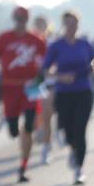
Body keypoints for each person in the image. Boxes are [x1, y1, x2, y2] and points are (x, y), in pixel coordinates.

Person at [0, 6, 47, 183]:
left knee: (28, 126)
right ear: (14, 20)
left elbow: (47, 60)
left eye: (23, 19)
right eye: (18, 19)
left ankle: (23, 166)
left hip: (29, 89)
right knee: (14, 131)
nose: (20, 22)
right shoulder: (4, 39)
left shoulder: (36, 40)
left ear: (27, 20)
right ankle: (15, 129)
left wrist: (43, 75)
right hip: (10, 89)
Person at [41, 10, 94, 185]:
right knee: (67, 131)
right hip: (64, 93)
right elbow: (45, 69)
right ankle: (72, 148)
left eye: (74, 24)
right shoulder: (56, 46)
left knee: (80, 129)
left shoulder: (84, 44)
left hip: (83, 91)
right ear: (63, 25)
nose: (71, 27)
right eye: (67, 24)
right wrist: (59, 76)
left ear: (78, 25)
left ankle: (79, 169)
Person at [33, 15, 58, 164]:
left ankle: (46, 148)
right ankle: (43, 135)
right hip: (36, 84)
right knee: (38, 115)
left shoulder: (52, 43)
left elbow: (57, 62)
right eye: (37, 25)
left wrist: (50, 70)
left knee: (47, 116)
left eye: (42, 24)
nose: (39, 27)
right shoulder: (31, 44)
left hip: (51, 83)